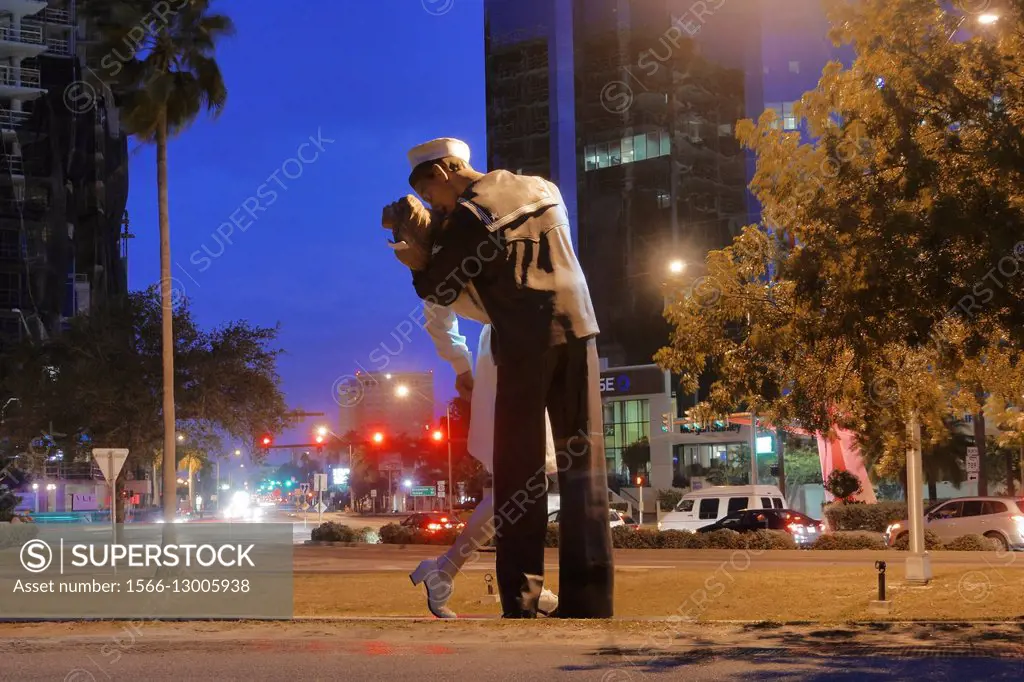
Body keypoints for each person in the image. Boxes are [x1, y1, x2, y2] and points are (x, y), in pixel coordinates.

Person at [387, 137, 614, 619]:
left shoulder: (470, 215)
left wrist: (416, 261)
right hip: (579, 326)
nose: (435, 205)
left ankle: (523, 598)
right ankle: (591, 598)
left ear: (444, 173)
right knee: (584, 468)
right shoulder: (543, 187)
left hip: (524, 341)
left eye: (432, 194)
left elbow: (440, 288)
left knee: (519, 475)